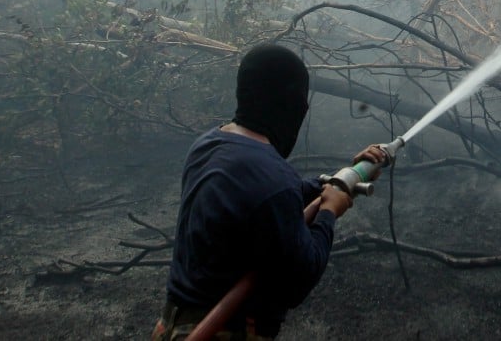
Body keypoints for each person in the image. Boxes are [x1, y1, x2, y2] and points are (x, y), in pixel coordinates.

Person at [153, 43, 385, 340]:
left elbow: (265, 197)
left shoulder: (208, 145)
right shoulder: (273, 180)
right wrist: (330, 212)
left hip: (172, 326)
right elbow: (300, 278)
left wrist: (342, 177)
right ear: (292, 106)